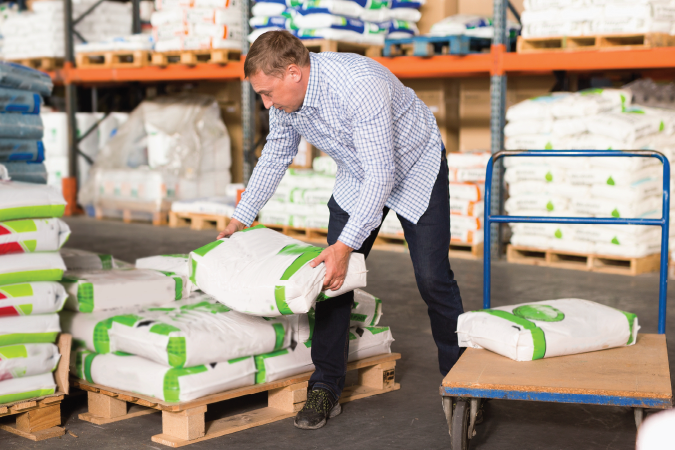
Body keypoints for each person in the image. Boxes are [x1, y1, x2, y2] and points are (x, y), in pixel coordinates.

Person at [218, 30, 464, 431]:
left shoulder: (358, 85)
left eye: (266, 92)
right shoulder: (284, 101)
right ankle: (325, 386)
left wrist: (345, 244)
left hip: (415, 166)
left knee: (433, 277)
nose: (265, 103)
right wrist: (241, 217)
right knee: (332, 279)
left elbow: (383, 173)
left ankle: (460, 381)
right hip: (359, 172)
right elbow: (276, 154)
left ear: (293, 72)